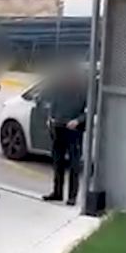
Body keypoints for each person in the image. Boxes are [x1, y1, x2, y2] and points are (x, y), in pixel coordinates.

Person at [42, 65, 88, 206]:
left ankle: (72, 196)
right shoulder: (59, 89)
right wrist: (50, 118)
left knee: (74, 165)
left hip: (74, 131)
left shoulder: (83, 92)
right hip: (58, 129)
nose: (68, 80)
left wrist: (77, 121)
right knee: (58, 163)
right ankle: (57, 192)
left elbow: (89, 111)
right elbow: (52, 105)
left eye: (71, 77)